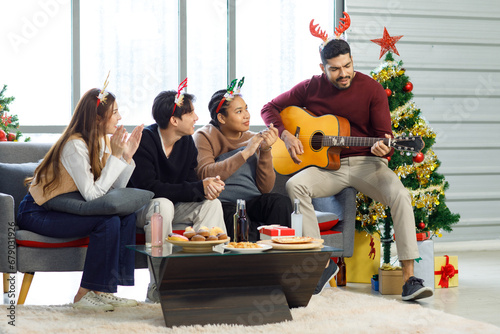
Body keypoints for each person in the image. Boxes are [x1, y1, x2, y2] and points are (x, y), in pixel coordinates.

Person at [261, 16, 433, 300]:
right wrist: (286, 135)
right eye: (335, 69)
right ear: (322, 68)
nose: (343, 73)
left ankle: (409, 279)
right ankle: (321, 264)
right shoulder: (310, 87)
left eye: (347, 66)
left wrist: (385, 149)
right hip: (328, 167)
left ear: (352, 61)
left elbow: (384, 138)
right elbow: (270, 108)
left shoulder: (371, 89)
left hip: (367, 163)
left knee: (400, 196)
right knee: (295, 186)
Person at [17, 84, 144, 311]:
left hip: (68, 208)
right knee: (108, 221)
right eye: (114, 112)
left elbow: (114, 188)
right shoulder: (75, 145)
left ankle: (104, 290)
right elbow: (93, 195)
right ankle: (84, 295)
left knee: (125, 216)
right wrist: (115, 155)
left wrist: (125, 156)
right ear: (97, 117)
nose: (120, 117)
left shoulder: (102, 141)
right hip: (38, 211)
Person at [128, 79, 227, 303]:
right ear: (174, 120)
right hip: (142, 208)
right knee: (162, 203)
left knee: (212, 204)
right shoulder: (145, 141)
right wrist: (197, 188)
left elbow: (190, 184)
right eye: (191, 113)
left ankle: (208, 280)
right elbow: (149, 188)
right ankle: (159, 286)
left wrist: (206, 190)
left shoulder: (186, 143)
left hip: (173, 208)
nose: (197, 118)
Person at [193, 81, 293, 241]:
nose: (247, 115)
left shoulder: (253, 138)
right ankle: (251, 260)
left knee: (280, 203)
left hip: (252, 201)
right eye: (239, 111)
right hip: (223, 203)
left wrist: (266, 150)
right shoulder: (204, 136)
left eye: (246, 108)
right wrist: (245, 153)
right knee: (238, 217)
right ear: (221, 118)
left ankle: (281, 257)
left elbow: (265, 188)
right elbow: (204, 174)